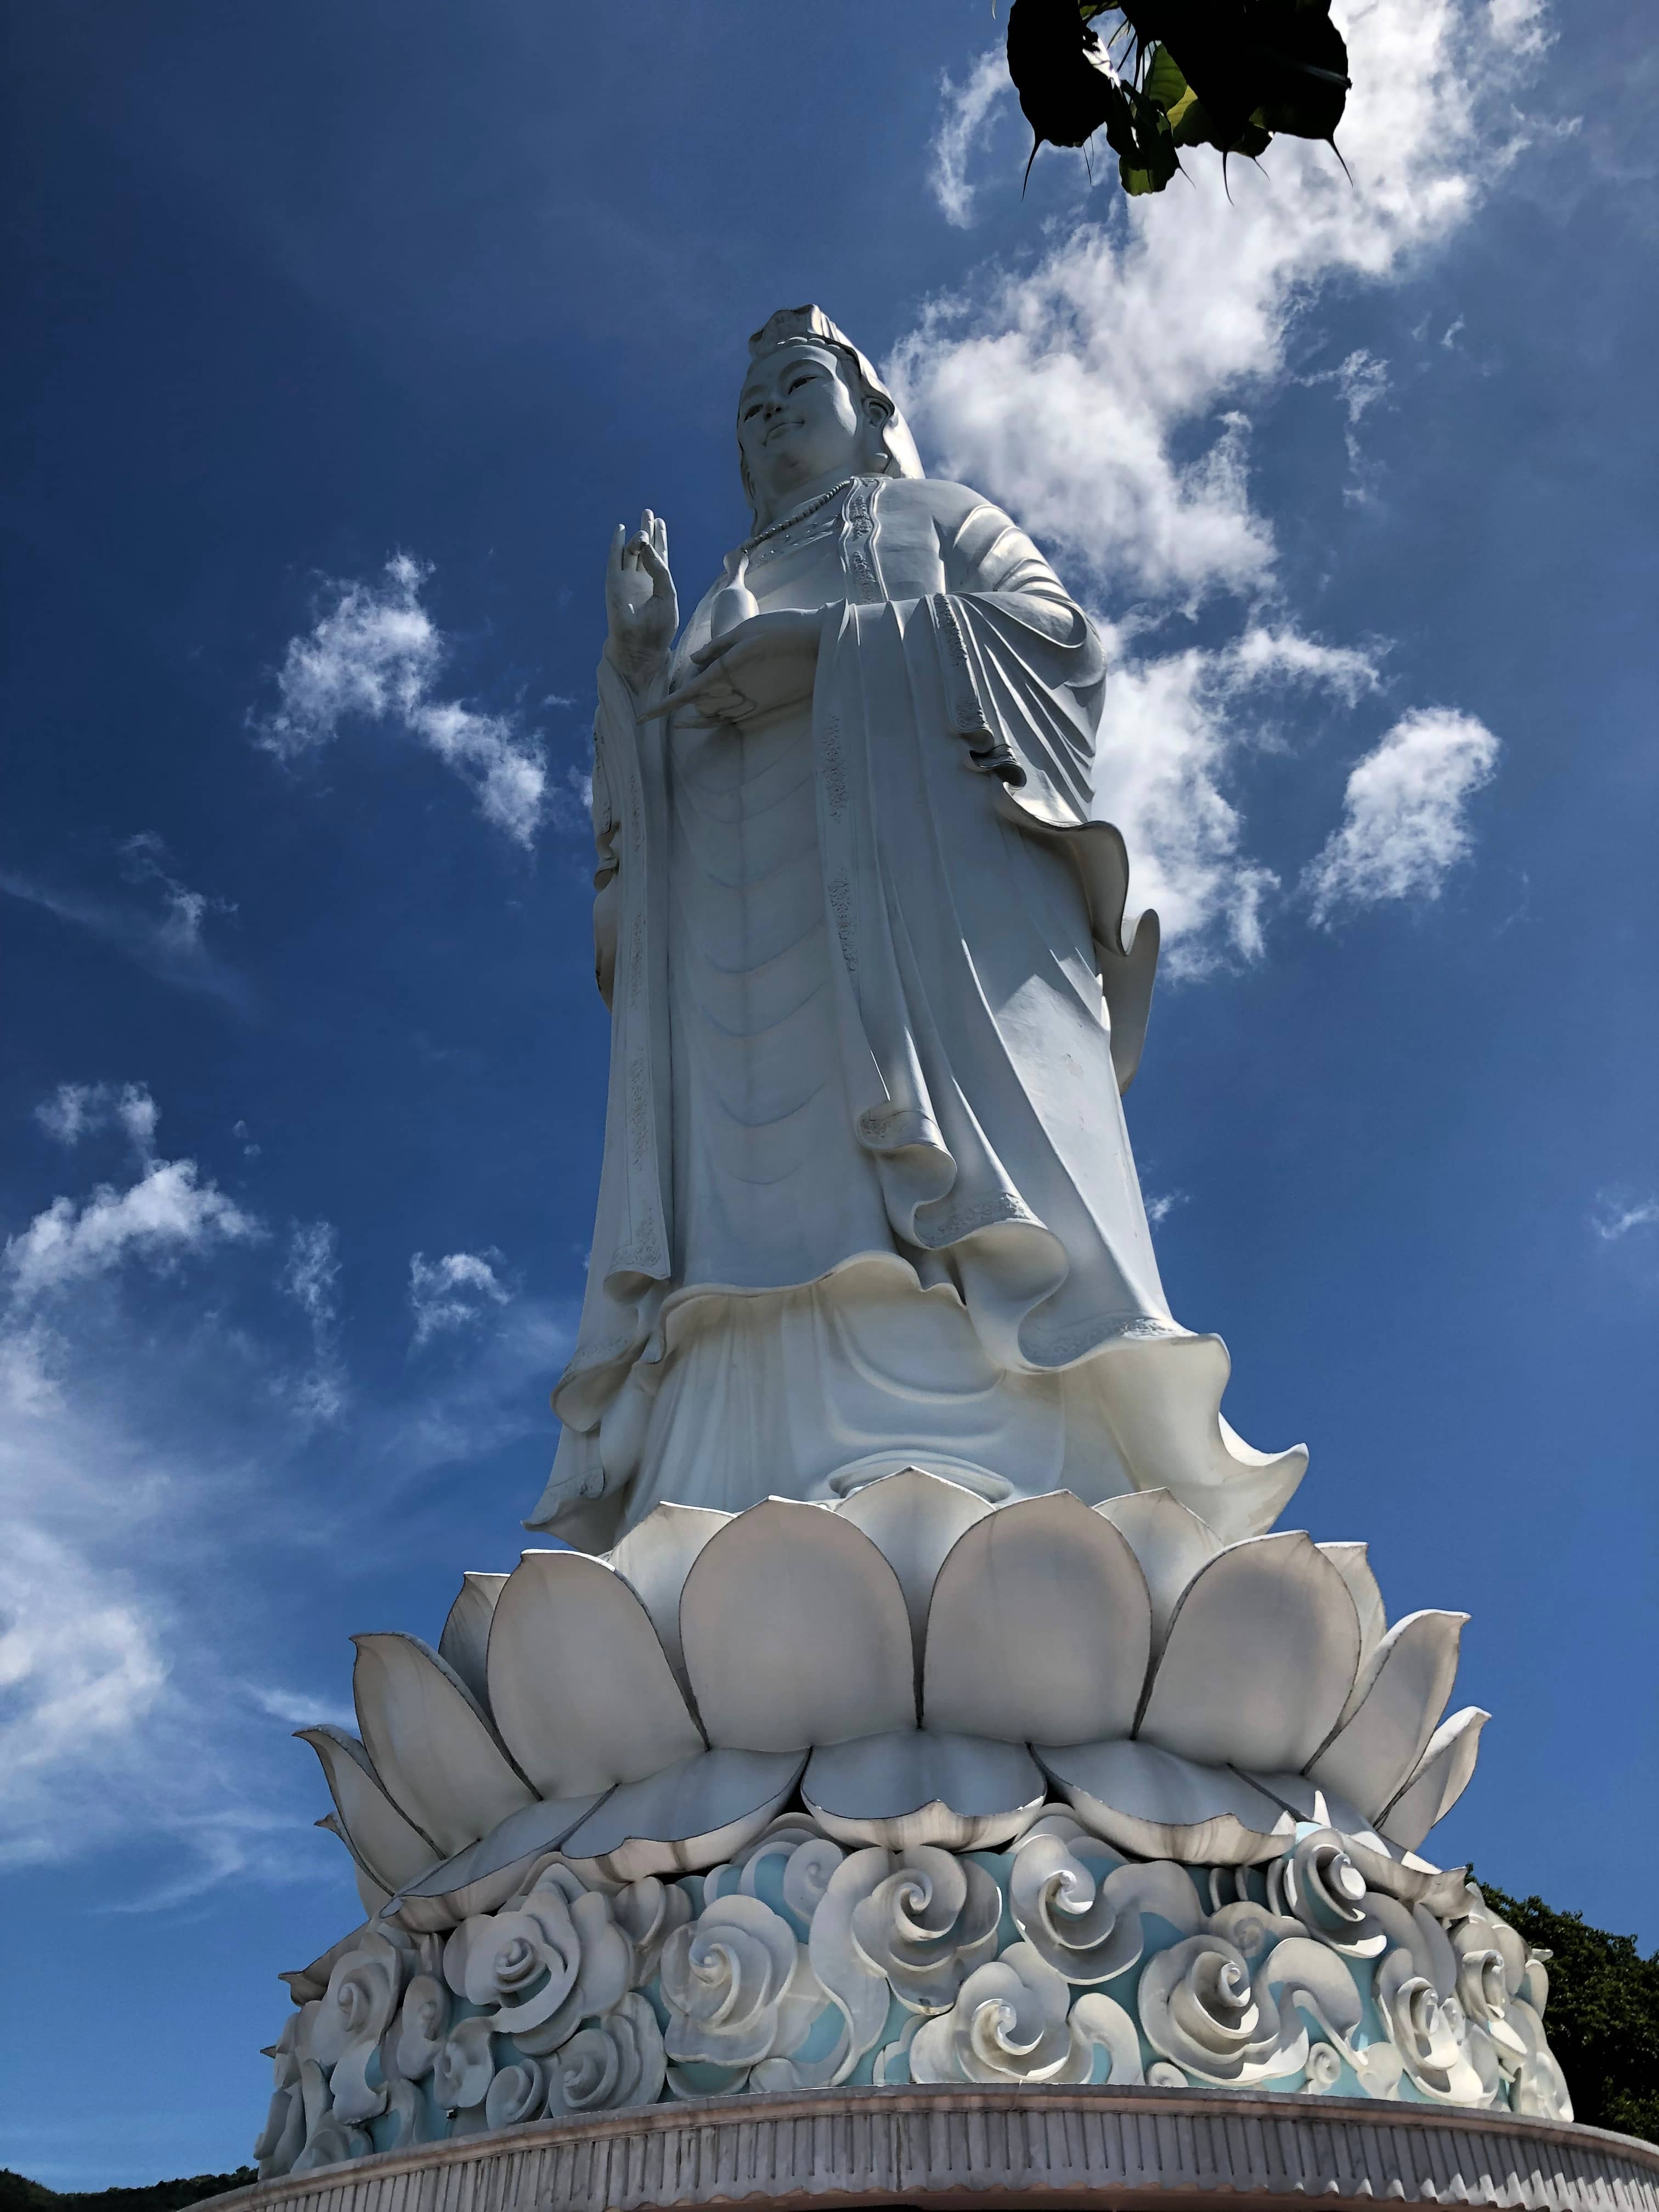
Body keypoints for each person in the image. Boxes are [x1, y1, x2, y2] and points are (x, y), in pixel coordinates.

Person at [527, 306, 1304, 1550]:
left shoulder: (940, 521)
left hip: (922, 922)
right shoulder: (723, 586)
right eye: (752, 408)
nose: (773, 415)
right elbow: (642, 829)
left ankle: (1030, 1483)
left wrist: (833, 659)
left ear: (871, 410)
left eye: (796, 388)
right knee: (758, 1221)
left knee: (938, 1177)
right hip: (744, 966)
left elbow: (1059, 651)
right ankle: (732, 1483)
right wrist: (638, 673)